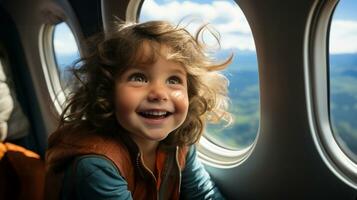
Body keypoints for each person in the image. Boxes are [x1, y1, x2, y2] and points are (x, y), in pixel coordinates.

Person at [45, 20, 233, 200]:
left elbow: (203, 195)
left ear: (189, 93)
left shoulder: (179, 143)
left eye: (173, 80)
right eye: (139, 78)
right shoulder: (97, 165)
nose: (159, 93)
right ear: (107, 92)